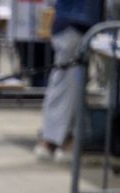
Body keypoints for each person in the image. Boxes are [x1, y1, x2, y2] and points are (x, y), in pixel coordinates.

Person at [35, 0, 106, 162]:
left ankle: (60, 140)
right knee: (67, 87)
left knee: (67, 86)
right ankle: (55, 141)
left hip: (72, 24)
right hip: (74, 25)